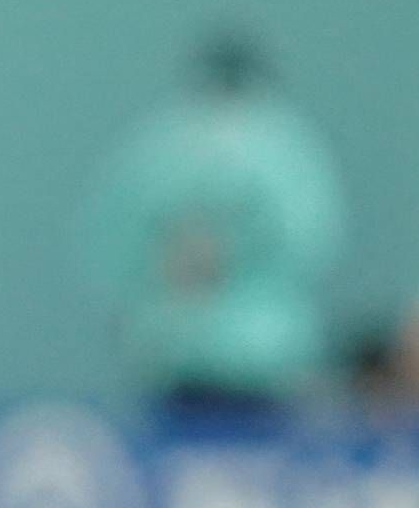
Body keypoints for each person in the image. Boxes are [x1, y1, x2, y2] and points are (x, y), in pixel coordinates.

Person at [86, 33, 343, 417]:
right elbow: (314, 241)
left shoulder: (155, 144)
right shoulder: (285, 144)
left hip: (169, 348)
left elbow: (111, 245)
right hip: (263, 354)